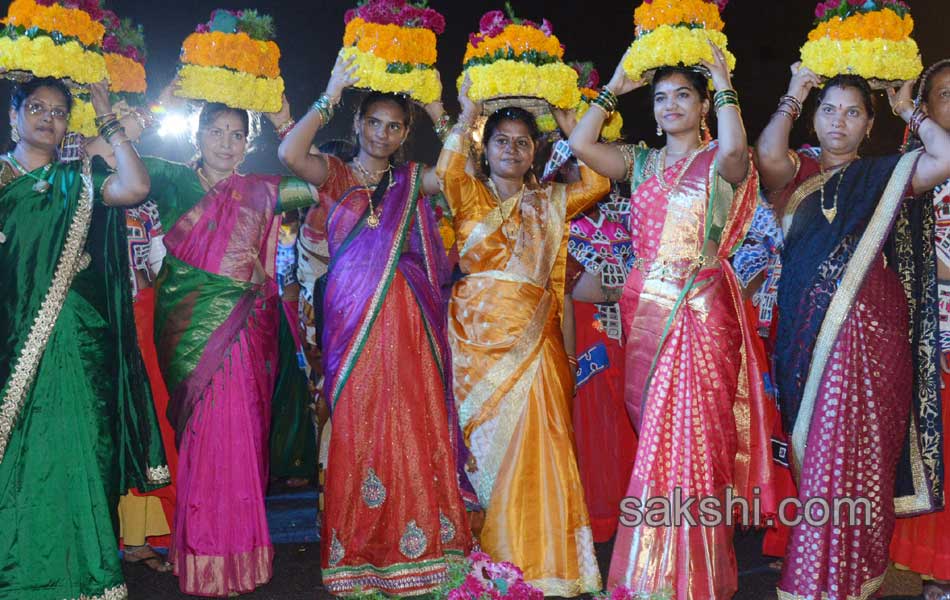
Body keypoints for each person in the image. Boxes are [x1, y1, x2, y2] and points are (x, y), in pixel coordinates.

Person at [567, 42, 776, 598]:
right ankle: (652, 566)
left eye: (684, 95)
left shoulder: (723, 161)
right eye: (661, 98)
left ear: (705, 104)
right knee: (657, 435)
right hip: (646, 308)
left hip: (701, 309)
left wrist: (723, 76)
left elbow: (736, 149)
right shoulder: (638, 162)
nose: (670, 106)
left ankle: (697, 573)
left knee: (697, 441)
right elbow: (579, 142)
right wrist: (614, 84)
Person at [278, 55, 473, 596]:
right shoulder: (334, 174)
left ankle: (423, 550)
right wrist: (331, 92)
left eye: (394, 126)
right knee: (360, 423)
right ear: (358, 124)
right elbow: (289, 153)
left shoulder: (414, 181)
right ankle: (358, 554)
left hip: (408, 320)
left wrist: (444, 114)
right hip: (351, 320)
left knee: (413, 419)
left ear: (404, 132)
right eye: (373, 123)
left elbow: (460, 174)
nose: (383, 134)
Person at [754, 63, 950, 599]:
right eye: (829, 109)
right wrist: (795, 89)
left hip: (875, 336)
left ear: (869, 125)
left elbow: (946, 157)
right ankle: (827, 572)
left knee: (858, 456)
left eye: (853, 113)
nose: (839, 121)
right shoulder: (794, 172)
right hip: (805, 333)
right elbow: (766, 155)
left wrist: (909, 108)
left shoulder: (885, 174)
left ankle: (842, 575)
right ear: (814, 118)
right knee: (820, 454)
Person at [436, 75, 609, 596]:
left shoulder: (552, 201)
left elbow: (599, 179)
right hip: (474, 341)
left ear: (535, 152)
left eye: (521, 141)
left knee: (541, 445)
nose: (511, 148)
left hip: (536, 344)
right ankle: (484, 556)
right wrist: (467, 112)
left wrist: (562, 113)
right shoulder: (466, 196)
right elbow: (447, 166)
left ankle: (541, 561)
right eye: (501, 140)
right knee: (483, 450)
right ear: (485, 150)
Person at [0, 77, 168, 599]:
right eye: (36, 109)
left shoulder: (79, 177)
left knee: (80, 456)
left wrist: (109, 122)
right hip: (15, 340)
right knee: (21, 459)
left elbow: (136, 187)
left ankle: (88, 576)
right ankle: (21, 572)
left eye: (57, 111)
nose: (47, 118)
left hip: (81, 343)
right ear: (13, 117)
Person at [144, 94, 317, 596]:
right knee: (201, 439)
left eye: (237, 134)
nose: (226, 142)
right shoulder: (173, 178)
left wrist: (290, 119)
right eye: (215, 131)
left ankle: (240, 556)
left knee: (239, 437)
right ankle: (201, 555)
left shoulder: (262, 189)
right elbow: (115, 158)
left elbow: (316, 183)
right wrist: (166, 98)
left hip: (244, 337)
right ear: (196, 137)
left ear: (248, 142)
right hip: (191, 339)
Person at [888, 58, 950, 600]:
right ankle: (937, 571)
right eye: (946, 94)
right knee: (939, 450)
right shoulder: (910, 169)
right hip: (932, 339)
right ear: (924, 109)